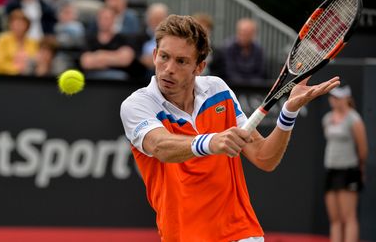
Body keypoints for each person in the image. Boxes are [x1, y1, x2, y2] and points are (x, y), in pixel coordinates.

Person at [120, 14, 340, 242]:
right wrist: (211, 142)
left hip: (241, 232)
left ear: (199, 66)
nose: (168, 69)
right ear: (155, 55)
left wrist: (289, 113)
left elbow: (264, 157)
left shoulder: (218, 90)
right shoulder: (137, 105)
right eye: (164, 57)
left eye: (181, 61)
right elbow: (160, 146)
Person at [322, 85, 368, 242]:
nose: (332, 100)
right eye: (332, 97)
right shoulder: (327, 119)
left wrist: (360, 169)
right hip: (331, 170)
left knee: (348, 217)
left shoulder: (354, 119)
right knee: (334, 219)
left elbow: (362, 149)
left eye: (336, 97)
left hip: (348, 171)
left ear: (346, 98)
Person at [79, 6, 136, 81]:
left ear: (114, 20)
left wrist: (99, 55)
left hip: (118, 79)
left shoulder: (122, 38)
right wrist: (114, 57)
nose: (103, 21)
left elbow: (125, 60)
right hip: (92, 79)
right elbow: (86, 62)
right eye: (101, 18)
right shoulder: (89, 39)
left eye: (107, 18)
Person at [0, 9, 38, 75]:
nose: (18, 27)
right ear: (10, 25)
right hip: (2, 76)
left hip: (26, 77)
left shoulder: (33, 42)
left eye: (21, 24)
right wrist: (18, 69)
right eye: (16, 24)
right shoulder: (2, 39)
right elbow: (0, 63)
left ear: (27, 26)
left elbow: (35, 61)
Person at [224, 18, 265, 85]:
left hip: (253, 86)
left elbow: (260, 72)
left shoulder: (258, 49)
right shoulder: (228, 47)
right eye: (242, 32)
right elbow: (229, 71)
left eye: (247, 33)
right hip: (233, 85)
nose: (244, 36)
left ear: (253, 34)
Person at [193, 12, 227, 79]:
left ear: (210, 31)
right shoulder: (184, 49)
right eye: (199, 29)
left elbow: (220, 72)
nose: (201, 33)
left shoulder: (217, 52)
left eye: (205, 29)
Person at [139, 2, 169, 78]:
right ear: (148, 19)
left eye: (160, 19)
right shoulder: (139, 36)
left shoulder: (170, 39)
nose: (157, 22)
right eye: (154, 19)